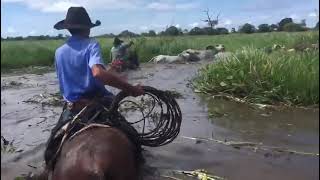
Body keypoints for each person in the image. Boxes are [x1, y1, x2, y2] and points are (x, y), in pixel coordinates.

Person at [44, 6, 144, 166]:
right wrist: (131, 89)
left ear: (68, 29)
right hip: (98, 105)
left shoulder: (59, 52)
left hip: (73, 108)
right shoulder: (91, 45)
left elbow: (83, 74)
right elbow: (97, 73)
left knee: (51, 151)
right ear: (88, 29)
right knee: (134, 139)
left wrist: (108, 70)